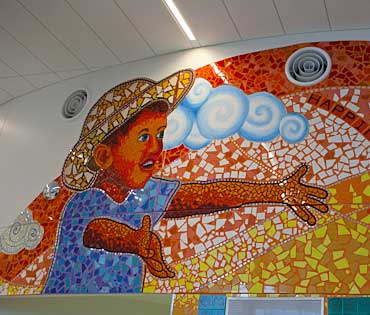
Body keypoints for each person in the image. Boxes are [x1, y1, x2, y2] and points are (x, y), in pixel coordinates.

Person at [43, 70, 328, 294]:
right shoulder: (83, 204)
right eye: (143, 137)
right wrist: (132, 241)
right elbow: (100, 231)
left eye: (160, 134)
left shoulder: (147, 194)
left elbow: (208, 195)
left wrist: (276, 191)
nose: (156, 147)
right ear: (104, 156)